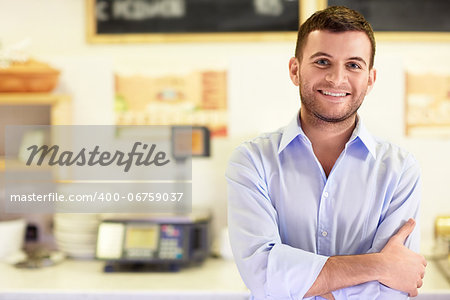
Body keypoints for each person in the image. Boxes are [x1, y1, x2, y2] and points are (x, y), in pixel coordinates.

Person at [225, 6, 427, 300]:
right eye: (322, 61)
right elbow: (262, 274)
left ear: (370, 79)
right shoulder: (252, 161)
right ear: (295, 70)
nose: (336, 79)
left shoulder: (400, 170)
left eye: (353, 65)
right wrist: (378, 265)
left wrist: (301, 281)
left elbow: (395, 286)